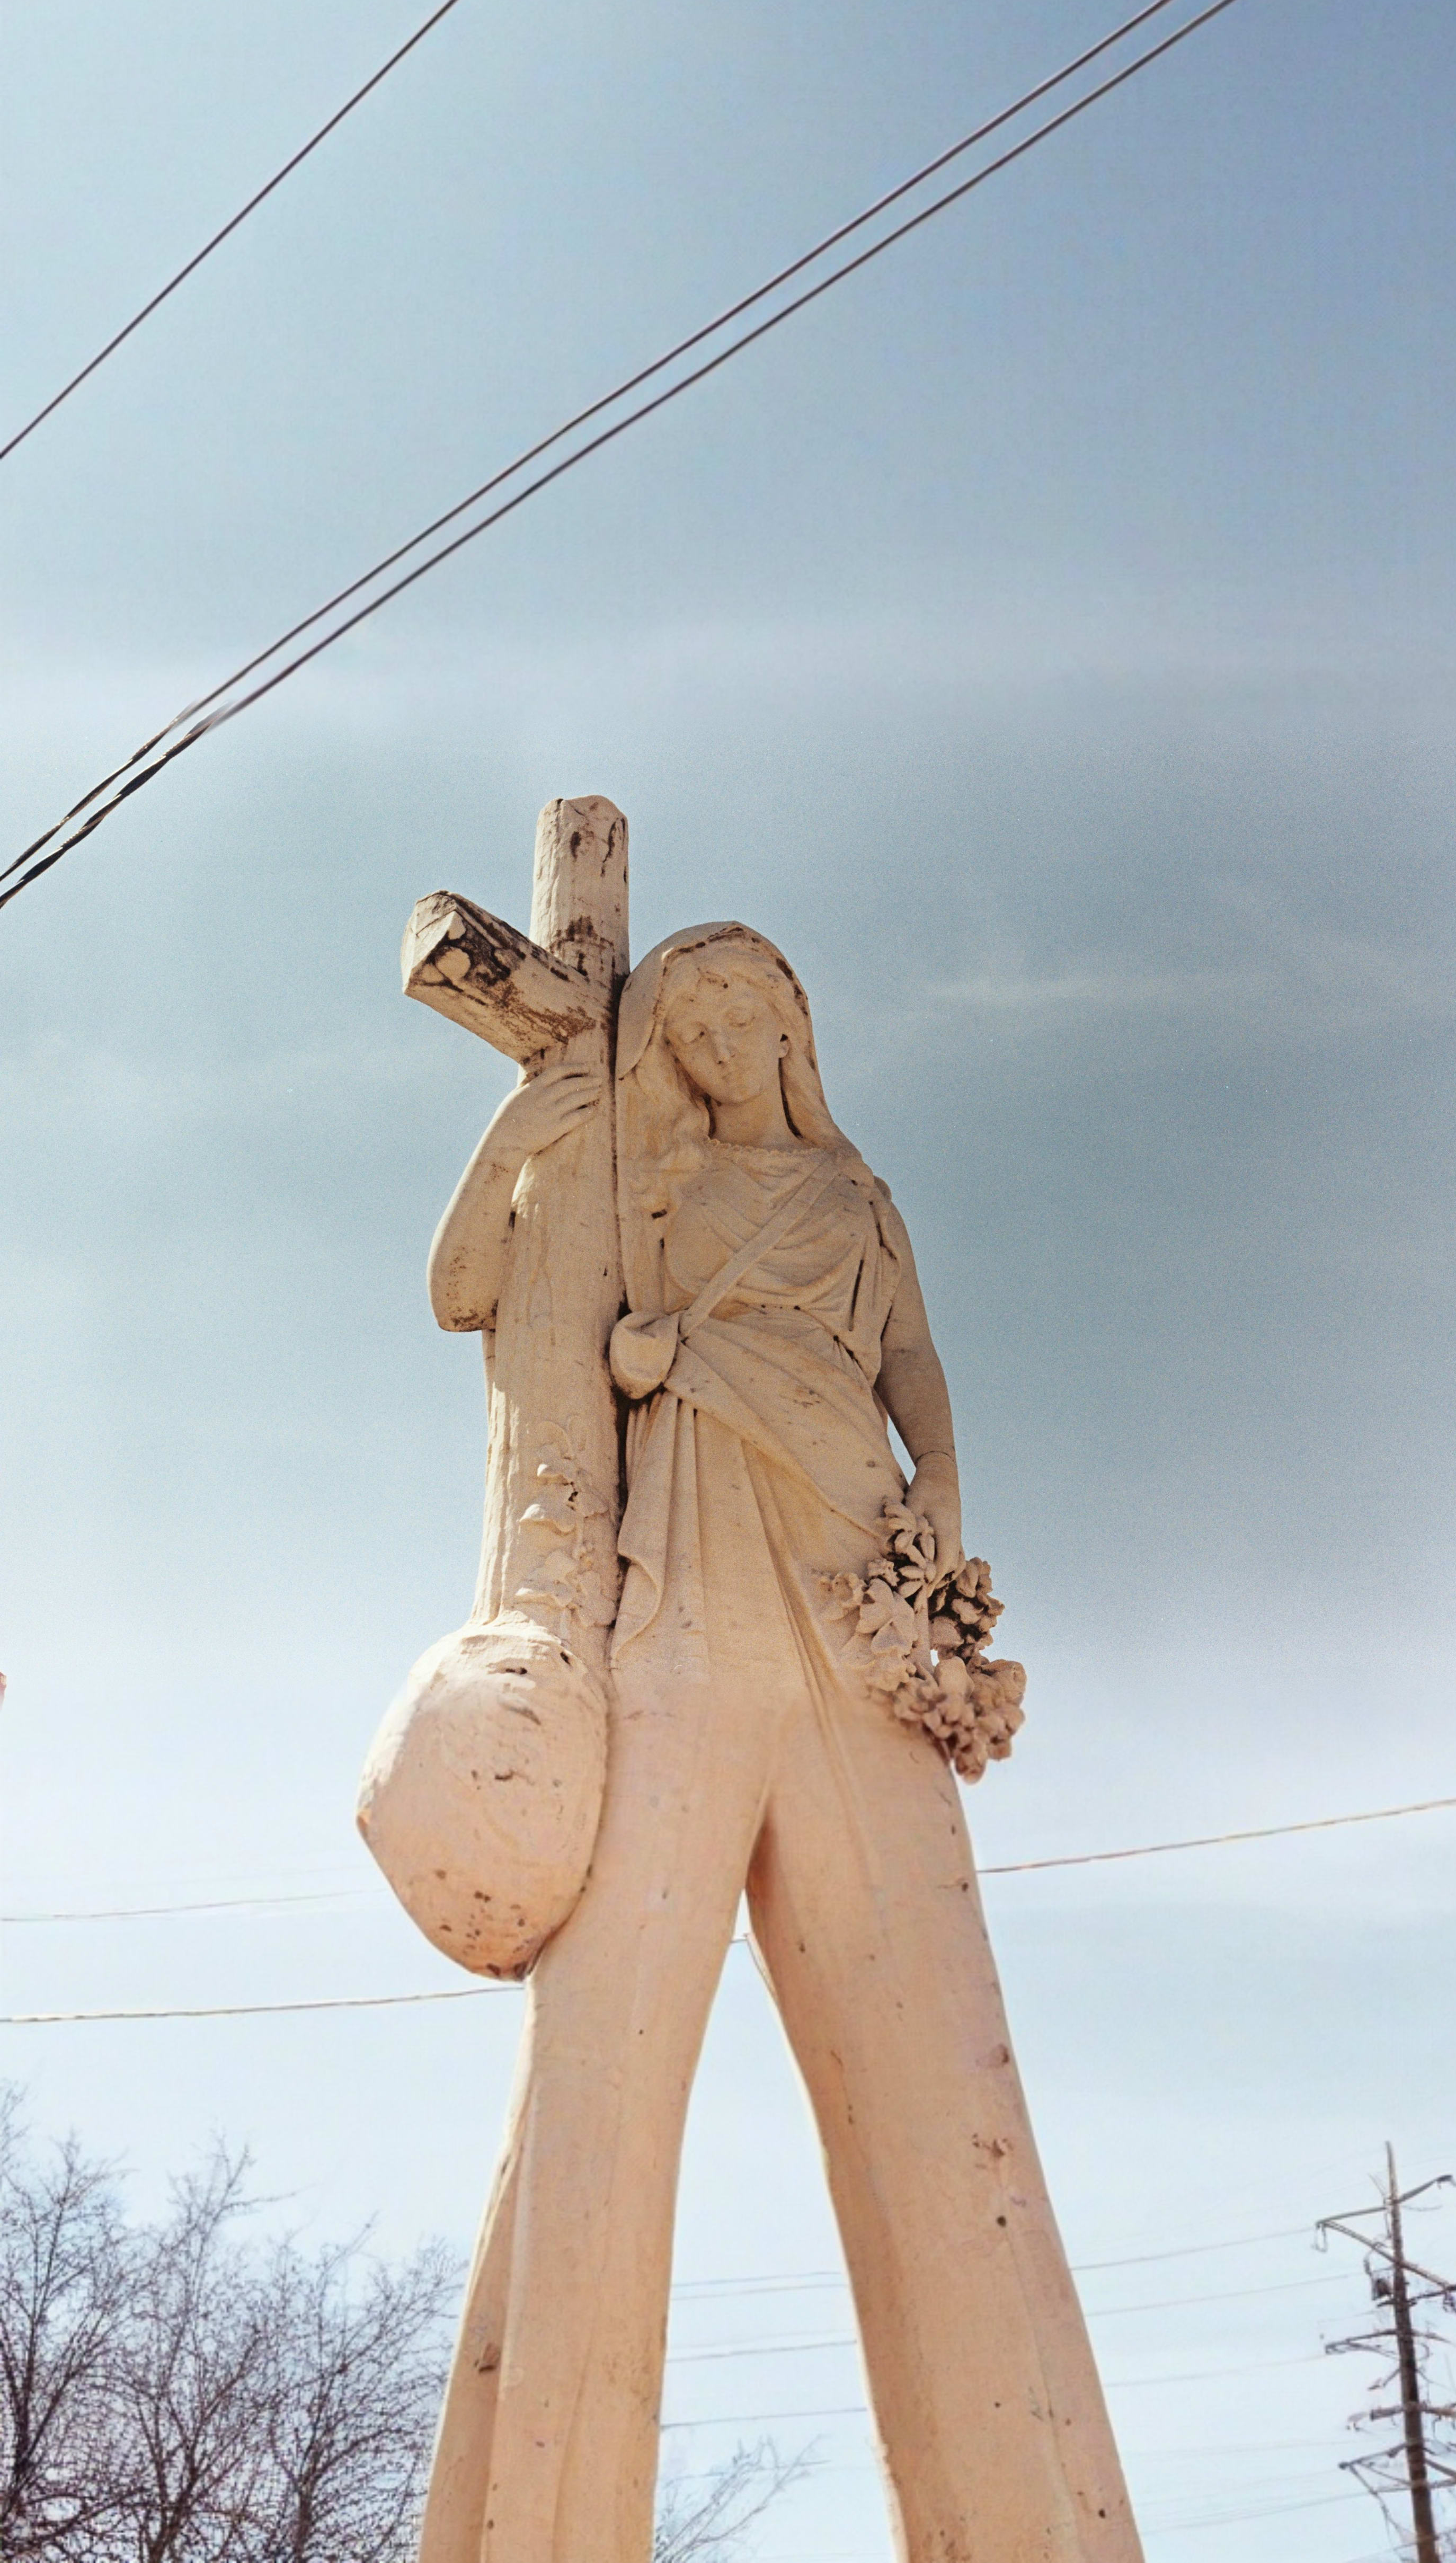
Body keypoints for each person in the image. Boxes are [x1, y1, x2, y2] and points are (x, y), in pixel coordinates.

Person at [420, 924, 1143, 2563]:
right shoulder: (637, 1191)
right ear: (664, 1041)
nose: (726, 1030)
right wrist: (523, 1132)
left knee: (948, 2084)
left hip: (854, 1609)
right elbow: (468, 1291)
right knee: (599, 2070)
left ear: (793, 1025)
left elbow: (925, 1396)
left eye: (752, 1004)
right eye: (695, 1012)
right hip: (678, 1623)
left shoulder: (856, 1204)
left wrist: (931, 1568)